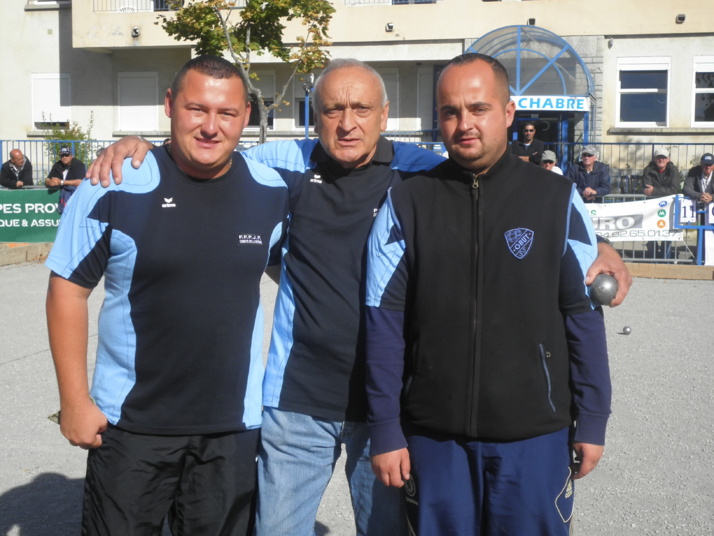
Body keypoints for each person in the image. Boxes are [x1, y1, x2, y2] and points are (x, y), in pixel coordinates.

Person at [87, 59, 631, 536]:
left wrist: (597, 242)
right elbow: (208, 145)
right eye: (332, 110)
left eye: (362, 109)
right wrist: (142, 148)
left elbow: (501, 192)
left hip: (390, 402)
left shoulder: (420, 171)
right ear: (313, 115)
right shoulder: (285, 165)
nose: (347, 123)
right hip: (298, 399)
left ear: (385, 114)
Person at [365, 52, 611, 535]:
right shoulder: (407, 202)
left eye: (478, 108)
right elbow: (383, 322)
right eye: (450, 111)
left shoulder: (556, 199)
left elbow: (583, 316)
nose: (464, 124)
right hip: (434, 440)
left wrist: (595, 416)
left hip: (535, 437)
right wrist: (385, 426)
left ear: (508, 112)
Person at [45, 55, 288, 536]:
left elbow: (301, 280)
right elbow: (66, 292)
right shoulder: (113, 184)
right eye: (197, 109)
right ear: (170, 106)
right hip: (131, 426)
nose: (211, 127)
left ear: (246, 118)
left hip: (232, 429)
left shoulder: (272, 191)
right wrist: (73, 401)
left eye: (228, 113)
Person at [643, 147, 680, 259]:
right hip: (652, 206)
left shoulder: (673, 170)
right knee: (651, 231)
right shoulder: (648, 170)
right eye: (659, 157)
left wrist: (655, 190)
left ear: (668, 159)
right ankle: (652, 257)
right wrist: (661, 191)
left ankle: (666, 258)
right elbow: (646, 189)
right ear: (655, 159)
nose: (661, 160)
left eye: (664, 157)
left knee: (667, 233)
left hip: (669, 206)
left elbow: (674, 189)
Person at [44, 146, 86, 213]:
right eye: (62, 155)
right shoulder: (57, 165)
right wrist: (50, 182)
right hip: (63, 196)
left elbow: (80, 181)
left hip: (77, 195)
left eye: (67, 155)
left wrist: (61, 182)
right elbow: (47, 179)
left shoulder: (78, 164)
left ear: (71, 155)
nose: (64, 157)